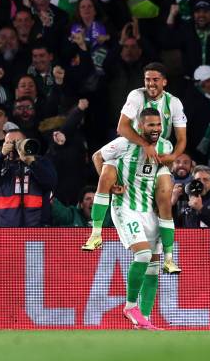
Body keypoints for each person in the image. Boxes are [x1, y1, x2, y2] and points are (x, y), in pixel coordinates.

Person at [82, 62, 186, 275]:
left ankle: (169, 257)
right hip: (134, 145)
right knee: (107, 173)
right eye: (147, 79)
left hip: (159, 153)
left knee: (166, 196)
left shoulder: (173, 103)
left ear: (164, 82)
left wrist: (172, 157)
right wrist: (145, 144)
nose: (151, 83)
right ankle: (96, 233)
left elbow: (182, 139)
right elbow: (122, 127)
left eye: (155, 79)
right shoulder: (137, 96)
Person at [91, 108, 169, 330]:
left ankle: (143, 320)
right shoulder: (123, 143)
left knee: (154, 268)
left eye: (158, 125)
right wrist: (108, 185)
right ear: (140, 126)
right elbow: (98, 156)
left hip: (149, 211)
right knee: (143, 255)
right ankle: (130, 306)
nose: (155, 129)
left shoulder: (166, 146)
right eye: (150, 125)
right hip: (125, 206)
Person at [0, 129, 57, 227]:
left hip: (37, 228)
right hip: (5, 230)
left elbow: (51, 182)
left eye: (18, 142)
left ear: (26, 142)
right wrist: (1, 155)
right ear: (4, 145)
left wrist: (31, 162)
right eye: (9, 143)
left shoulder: (40, 161)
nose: (14, 146)